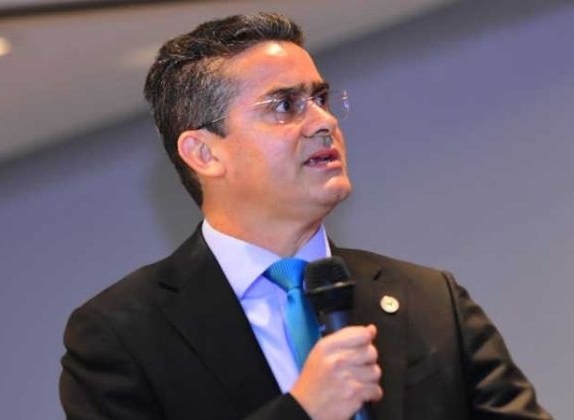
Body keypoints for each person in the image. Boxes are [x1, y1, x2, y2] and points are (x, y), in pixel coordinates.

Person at [59, 12, 551, 420]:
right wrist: (303, 411)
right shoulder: (121, 335)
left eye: (319, 98)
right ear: (204, 154)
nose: (324, 121)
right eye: (284, 105)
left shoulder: (429, 300)